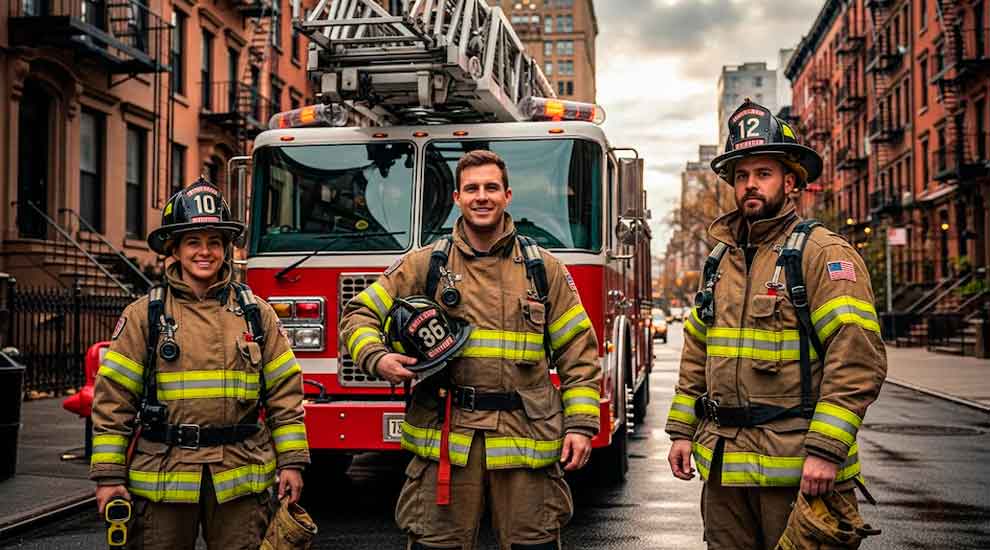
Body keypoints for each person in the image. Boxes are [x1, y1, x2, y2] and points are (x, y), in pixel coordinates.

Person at [339, 149, 602, 550]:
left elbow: (578, 354)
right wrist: (377, 357)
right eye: (472, 188)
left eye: (491, 188)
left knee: (535, 543)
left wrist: (581, 425)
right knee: (436, 543)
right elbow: (358, 313)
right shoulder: (424, 265)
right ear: (457, 199)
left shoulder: (542, 269)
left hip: (525, 439)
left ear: (507, 196)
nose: (482, 196)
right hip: (447, 437)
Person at [665, 100, 887, 549]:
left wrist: (827, 449)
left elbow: (856, 358)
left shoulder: (821, 253)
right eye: (741, 175)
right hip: (725, 469)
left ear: (790, 182)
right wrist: (681, 432)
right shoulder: (719, 261)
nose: (750, 184)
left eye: (762, 173)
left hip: (798, 468)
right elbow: (697, 354)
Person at [89, 178, 310, 549]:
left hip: (240, 476)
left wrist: (291, 462)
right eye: (193, 241)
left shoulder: (256, 315)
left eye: (214, 242)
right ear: (174, 248)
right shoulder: (144, 315)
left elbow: (285, 396)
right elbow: (113, 400)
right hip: (164, 478)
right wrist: (108, 477)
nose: (204, 252)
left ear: (226, 249)